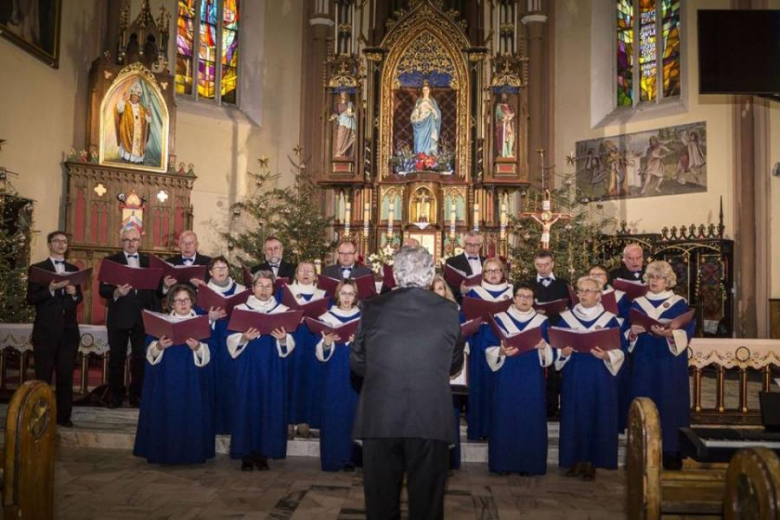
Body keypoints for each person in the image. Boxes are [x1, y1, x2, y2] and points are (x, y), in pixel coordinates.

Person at [351, 246, 465, 519]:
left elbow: (356, 363)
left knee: (380, 504)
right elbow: (454, 363)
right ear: (429, 276)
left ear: (395, 275)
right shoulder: (449, 311)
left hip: (380, 417)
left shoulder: (372, 308)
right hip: (430, 419)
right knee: (427, 505)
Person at [133, 285, 214, 465]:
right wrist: (160, 346)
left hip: (192, 378)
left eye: (186, 299)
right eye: (178, 300)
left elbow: (210, 353)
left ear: (192, 301)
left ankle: (192, 453)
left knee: (191, 411)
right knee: (168, 411)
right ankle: (165, 452)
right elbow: (150, 354)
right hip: (167, 378)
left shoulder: (201, 322)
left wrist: (198, 347)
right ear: (171, 304)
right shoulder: (161, 323)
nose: (183, 303)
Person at [555, 276, 625, 481]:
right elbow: (556, 344)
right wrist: (563, 352)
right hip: (575, 373)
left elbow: (620, 348)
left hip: (599, 374)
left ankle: (593, 461)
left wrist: (606, 355)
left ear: (598, 295)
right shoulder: (567, 318)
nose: (583, 294)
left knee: (597, 413)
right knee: (574, 414)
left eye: (588, 291)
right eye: (580, 290)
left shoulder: (609, 319)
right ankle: (575, 460)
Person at [226, 270, 296, 471]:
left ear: (273, 288)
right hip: (248, 365)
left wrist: (283, 338)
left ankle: (264, 452)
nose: (264, 290)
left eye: (268, 286)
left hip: (272, 366)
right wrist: (244, 338)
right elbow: (231, 340)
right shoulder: (241, 308)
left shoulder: (282, 310)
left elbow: (290, 342)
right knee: (246, 405)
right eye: (260, 285)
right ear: (253, 287)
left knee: (269, 405)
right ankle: (245, 453)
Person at [628, 260, 694, 470]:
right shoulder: (638, 303)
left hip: (669, 361)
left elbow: (687, 330)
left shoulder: (679, 303)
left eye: (659, 277)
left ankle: (671, 451)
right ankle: (641, 450)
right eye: (652, 277)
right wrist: (632, 332)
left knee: (670, 401)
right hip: (644, 359)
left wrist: (670, 333)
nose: (654, 281)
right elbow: (626, 330)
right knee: (643, 400)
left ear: (668, 281)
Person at [484, 282, 552, 476]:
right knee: (505, 414)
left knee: (530, 414)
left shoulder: (541, 321)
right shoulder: (499, 319)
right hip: (507, 373)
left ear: (533, 300)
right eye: (521, 296)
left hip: (531, 375)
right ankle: (503, 463)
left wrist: (543, 347)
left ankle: (530, 464)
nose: (524, 300)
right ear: (513, 298)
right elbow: (488, 346)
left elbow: (551, 348)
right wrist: (501, 350)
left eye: (529, 297)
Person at [26, 231, 83, 427]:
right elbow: (31, 299)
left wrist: (74, 293)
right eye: (57, 241)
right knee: (43, 377)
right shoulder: (38, 268)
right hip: (46, 332)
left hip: (68, 332)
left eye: (64, 241)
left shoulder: (74, 269)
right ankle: (40, 417)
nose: (61, 244)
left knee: (65, 377)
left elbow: (79, 299)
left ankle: (63, 417)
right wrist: (49, 290)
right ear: (50, 244)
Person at [99, 227, 160, 408]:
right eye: (127, 240)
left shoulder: (148, 262)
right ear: (121, 242)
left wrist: (164, 287)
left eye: (134, 240)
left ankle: (137, 396)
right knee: (117, 358)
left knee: (140, 358)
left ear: (140, 241)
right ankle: (116, 395)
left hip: (142, 318)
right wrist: (116, 292)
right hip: (119, 317)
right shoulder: (111, 261)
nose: (131, 243)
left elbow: (155, 292)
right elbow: (103, 290)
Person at [463, 258, 513, 441]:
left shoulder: (513, 292)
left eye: (497, 270)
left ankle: (499, 429)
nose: (493, 274)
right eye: (489, 271)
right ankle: (478, 429)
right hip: (479, 340)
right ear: (482, 274)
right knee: (479, 385)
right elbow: (465, 317)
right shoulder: (474, 293)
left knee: (500, 385)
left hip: (503, 341)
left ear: (503, 272)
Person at [315, 280, 362, 472]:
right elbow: (320, 354)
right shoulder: (327, 317)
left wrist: (358, 342)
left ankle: (353, 458)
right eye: (343, 293)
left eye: (351, 294)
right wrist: (326, 342)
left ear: (356, 297)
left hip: (356, 372)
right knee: (335, 413)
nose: (347, 298)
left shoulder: (363, 318)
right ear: (337, 295)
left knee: (355, 413)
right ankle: (334, 458)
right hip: (334, 371)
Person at [286, 261, 328, 438]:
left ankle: (304, 422)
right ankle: (288, 422)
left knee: (309, 379)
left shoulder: (322, 295)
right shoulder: (286, 292)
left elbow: (327, 317)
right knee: (291, 378)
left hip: (312, 340)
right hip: (292, 339)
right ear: (296, 274)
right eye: (302, 270)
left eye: (309, 271)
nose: (305, 273)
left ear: (315, 276)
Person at [528, 249, 571, 418]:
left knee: (555, 369)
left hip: (558, 328)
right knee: (538, 367)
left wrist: (566, 309)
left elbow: (572, 305)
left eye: (546, 265)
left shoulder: (563, 284)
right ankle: (538, 406)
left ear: (552, 264)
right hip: (537, 329)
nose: (543, 269)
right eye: (539, 265)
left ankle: (553, 408)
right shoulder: (529, 283)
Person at [589, 264, 632, 433]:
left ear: (607, 278)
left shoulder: (619, 296)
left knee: (612, 386)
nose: (596, 277)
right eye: (592, 274)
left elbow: (629, 318)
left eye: (599, 275)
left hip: (612, 342)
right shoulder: (583, 296)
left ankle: (615, 423)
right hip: (590, 345)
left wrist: (613, 321)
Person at [201, 256, 241, 435]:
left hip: (234, 338)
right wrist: (209, 318)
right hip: (212, 340)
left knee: (232, 382)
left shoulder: (240, 290)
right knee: (213, 381)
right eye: (217, 268)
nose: (221, 270)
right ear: (210, 272)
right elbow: (193, 318)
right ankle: (214, 424)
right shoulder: (202, 292)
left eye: (224, 267)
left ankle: (233, 424)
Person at [431, 274, 467, 471]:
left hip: (451, 366)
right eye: (435, 289)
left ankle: (450, 459)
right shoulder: (423, 312)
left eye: (441, 288)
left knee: (449, 412)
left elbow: (464, 335)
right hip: (430, 367)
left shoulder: (456, 311)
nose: (439, 292)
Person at [115, 81, 152, 164]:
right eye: (133, 96)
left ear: (139, 97)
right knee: (127, 145)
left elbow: (147, 121)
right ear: (131, 96)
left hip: (139, 135)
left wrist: (149, 115)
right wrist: (123, 100)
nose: (135, 98)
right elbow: (119, 109)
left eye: (136, 96)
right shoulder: (126, 104)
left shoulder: (142, 108)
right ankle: (127, 158)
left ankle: (136, 161)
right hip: (128, 131)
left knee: (138, 146)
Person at [444, 231, 486, 300]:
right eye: (469, 244)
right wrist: (459, 290)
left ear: (481, 245)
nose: (472, 248)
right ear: (464, 244)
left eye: (476, 245)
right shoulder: (452, 262)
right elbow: (445, 287)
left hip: (484, 303)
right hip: (461, 304)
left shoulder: (486, 262)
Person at [410, 80, 441, 156]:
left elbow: (437, 115)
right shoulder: (419, 101)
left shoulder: (432, 101)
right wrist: (415, 117)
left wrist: (432, 110)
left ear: (429, 90)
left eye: (426, 89)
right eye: (423, 90)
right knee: (419, 142)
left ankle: (430, 160)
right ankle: (419, 160)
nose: (425, 91)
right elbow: (414, 114)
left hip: (430, 125)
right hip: (420, 126)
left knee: (430, 145)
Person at [330, 91, 357, 158]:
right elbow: (335, 113)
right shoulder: (338, 105)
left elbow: (352, 113)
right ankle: (339, 151)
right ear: (340, 95)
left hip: (348, 123)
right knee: (340, 138)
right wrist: (333, 116)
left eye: (345, 93)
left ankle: (345, 152)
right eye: (342, 93)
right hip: (342, 123)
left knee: (348, 137)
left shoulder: (349, 104)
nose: (344, 94)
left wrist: (351, 114)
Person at [495, 92, 516, 158]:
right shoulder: (499, 106)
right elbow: (499, 115)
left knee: (510, 138)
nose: (504, 97)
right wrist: (505, 117)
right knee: (503, 139)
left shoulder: (509, 106)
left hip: (508, 126)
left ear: (507, 97)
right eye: (502, 95)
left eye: (505, 95)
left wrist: (510, 116)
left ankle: (509, 152)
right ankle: (503, 154)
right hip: (502, 127)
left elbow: (513, 114)